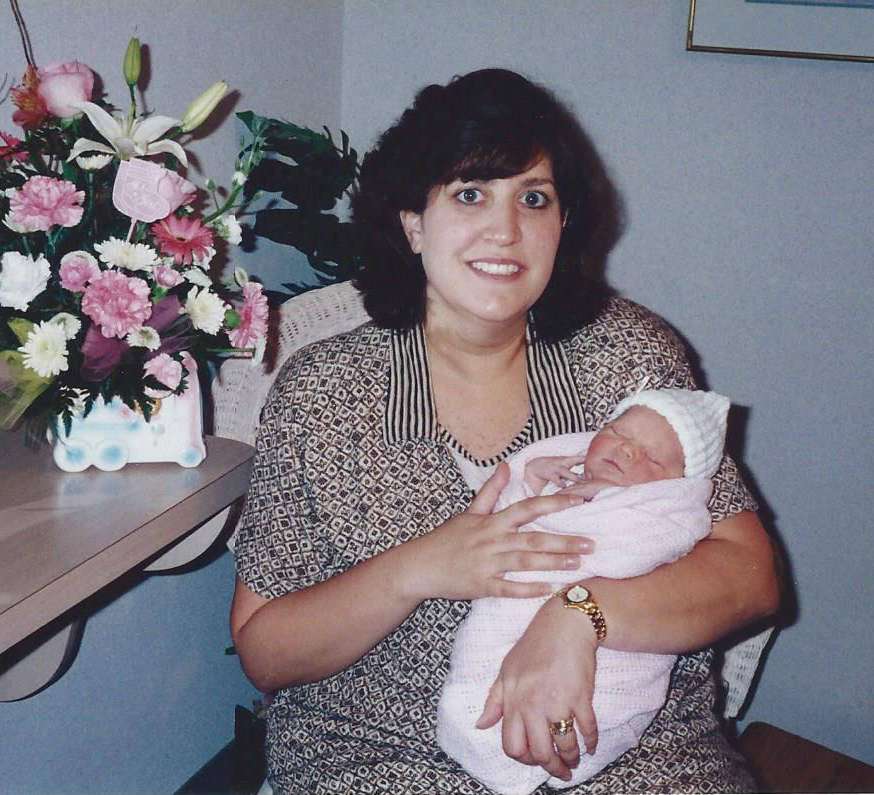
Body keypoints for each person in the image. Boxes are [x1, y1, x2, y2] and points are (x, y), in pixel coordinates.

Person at [230, 67, 779, 794]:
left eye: (534, 197)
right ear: (413, 221)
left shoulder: (629, 356)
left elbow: (751, 575)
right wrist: (419, 568)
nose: (506, 230)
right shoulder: (323, 392)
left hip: (638, 755)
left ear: (563, 223)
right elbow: (266, 649)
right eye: (469, 194)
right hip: (384, 757)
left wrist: (583, 615)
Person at [438, 388, 732, 794]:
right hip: (515, 614)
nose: (628, 451)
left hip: (613, 648)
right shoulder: (563, 484)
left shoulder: (663, 517)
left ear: (674, 486)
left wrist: (580, 507)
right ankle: (485, 730)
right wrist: (533, 483)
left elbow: (631, 556)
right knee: (476, 682)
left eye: (651, 457)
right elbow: (494, 535)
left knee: (586, 707)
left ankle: (536, 748)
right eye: (618, 431)